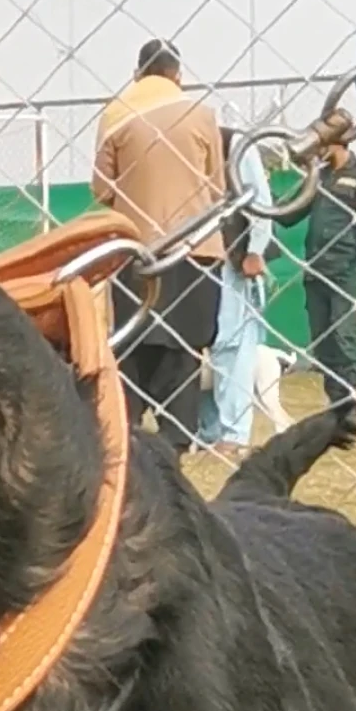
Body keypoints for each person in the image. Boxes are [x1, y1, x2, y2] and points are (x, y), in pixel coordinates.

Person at [93, 38, 225, 456]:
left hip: (135, 249)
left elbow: (101, 188)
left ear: (137, 73)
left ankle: (127, 427)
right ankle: (178, 431)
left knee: (132, 340)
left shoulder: (116, 114)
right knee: (185, 346)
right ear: (177, 75)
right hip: (194, 247)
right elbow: (216, 184)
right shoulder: (202, 115)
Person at [283, 132, 356, 427]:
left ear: (336, 143)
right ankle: (336, 406)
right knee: (323, 341)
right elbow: (288, 214)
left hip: (344, 271)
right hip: (316, 270)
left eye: (320, 146)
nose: (316, 151)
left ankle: (352, 406)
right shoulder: (319, 176)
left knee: (344, 336)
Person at [198, 129, 275, 456]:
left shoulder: (233, 143)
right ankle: (209, 429)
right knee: (201, 344)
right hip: (195, 258)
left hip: (232, 258)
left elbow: (258, 200)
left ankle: (234, 432)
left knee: (233, 344)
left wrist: (255, 249)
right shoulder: (176, 144)